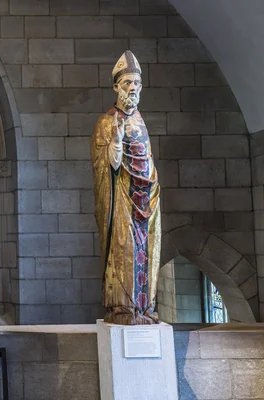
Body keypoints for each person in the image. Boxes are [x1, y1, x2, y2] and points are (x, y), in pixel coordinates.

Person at [90, 51, 161, 325]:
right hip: (121, 200)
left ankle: (144, 308)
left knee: (146, 252)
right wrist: (116, 144)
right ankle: (123, 309)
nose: (132, 88)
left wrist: (153, 188)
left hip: (147, 202)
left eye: (136, 83)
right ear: (116, 87)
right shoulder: (106, 122)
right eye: (127, 82)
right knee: (123, 249)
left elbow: (148, 161)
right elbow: (103, 166)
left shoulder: (141, 121)